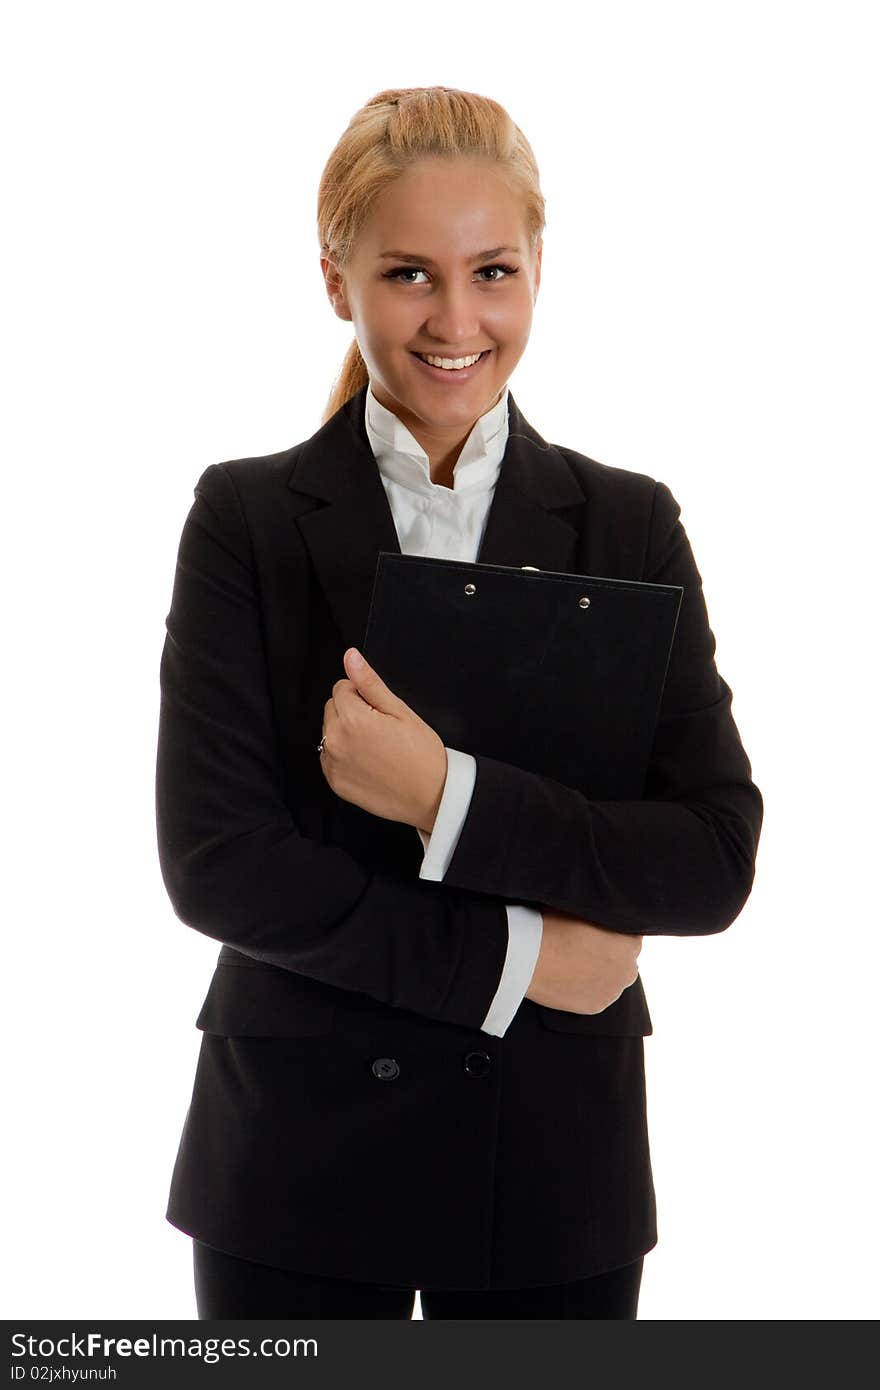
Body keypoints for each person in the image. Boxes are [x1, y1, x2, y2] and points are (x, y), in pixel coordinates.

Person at [155, 85, 764, 1320]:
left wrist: (447, 797)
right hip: (298, 1156)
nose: (455, 319)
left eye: (491, 271)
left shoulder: (627, 522)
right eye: (407, 275)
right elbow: (219, 864)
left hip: (551, 1156)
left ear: (540, 267)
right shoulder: (247, 519)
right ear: (336, 281)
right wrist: (525, 956)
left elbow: (710, 853)